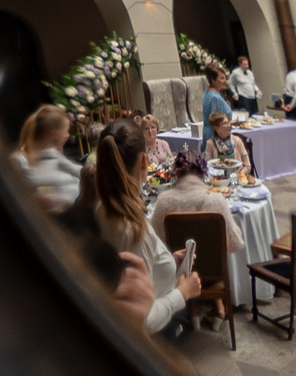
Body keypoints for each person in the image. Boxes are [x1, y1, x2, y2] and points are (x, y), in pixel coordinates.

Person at [64, 120, 200, 336]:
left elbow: (130, 270)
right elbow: (140, 320)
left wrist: (168, 260)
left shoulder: (102, 206)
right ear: (144, 161)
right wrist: (182, 293)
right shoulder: (132, 228)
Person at [9, 103, 79, 214]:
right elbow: (14, 196)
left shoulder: (51, 153)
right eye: (66, 130)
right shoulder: (18, 160)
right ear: (54, 134)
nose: (68, 135)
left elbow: (77, 170)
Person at [202, 111, 253, 181]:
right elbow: (207, 167)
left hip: (237, 180)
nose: (229, 125)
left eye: (228, 122)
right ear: (217, 128)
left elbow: (247, 166)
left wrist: (238, 175)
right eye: (225, 123)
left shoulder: (237, 141)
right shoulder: (210, 143)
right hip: (218, 181)